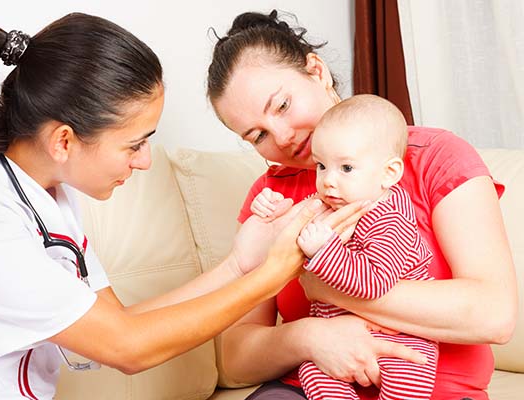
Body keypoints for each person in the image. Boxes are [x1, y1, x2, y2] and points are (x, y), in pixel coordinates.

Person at [0, 13, 377, 399]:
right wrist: (273, 273)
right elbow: (126, 348)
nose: (144, 162)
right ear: (64, 141)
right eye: (134, 145)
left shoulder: (48, 195)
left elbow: (116, 323)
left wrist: (238, 266)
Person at [206, 9, 517, 400]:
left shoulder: (436, 157)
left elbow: (494, 314)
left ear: (316, 71)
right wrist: (310, 337)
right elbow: (236, 358)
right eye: (258, 135)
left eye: (282, 106)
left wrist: (326, 286)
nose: (282, 137)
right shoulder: (270, 198)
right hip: (309, 391)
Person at [250, 94, 438, 400]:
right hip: (334, 336)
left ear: (389, 173)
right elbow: (291, 230)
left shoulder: (392, 219)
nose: (328, 182)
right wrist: (274, 211)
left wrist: (325, 251)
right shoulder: (333, 203)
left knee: (409, 373)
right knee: (311, 371)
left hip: (401, 336)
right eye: (322, 166)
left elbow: (374, 283)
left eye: (346, 168)